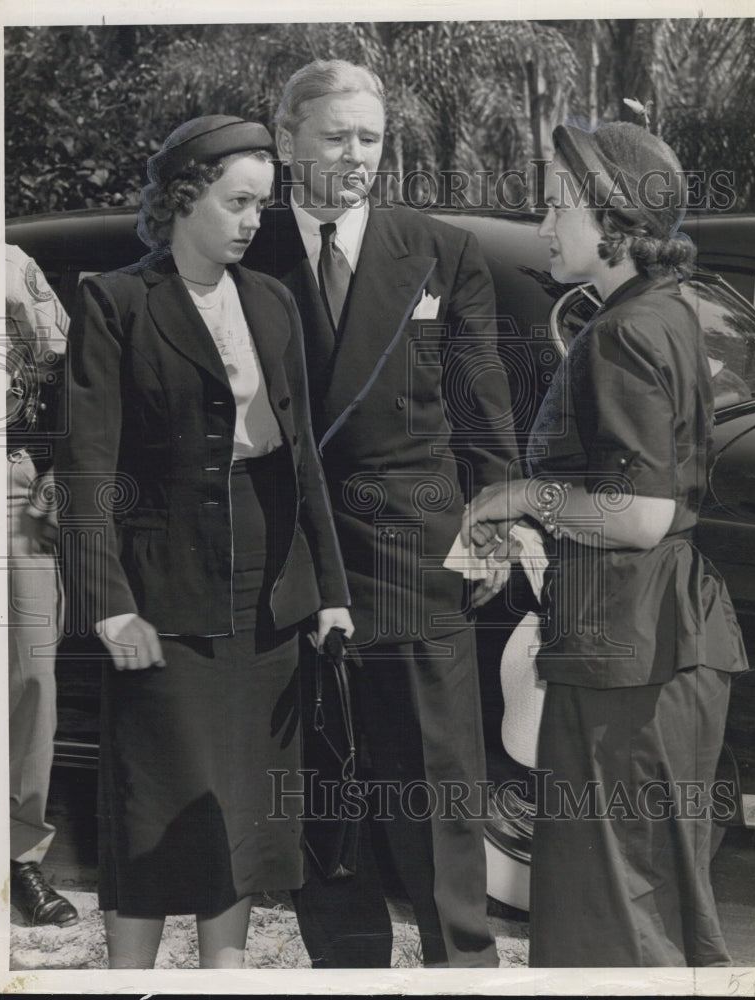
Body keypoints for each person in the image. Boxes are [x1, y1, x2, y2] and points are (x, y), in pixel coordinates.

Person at [54, 115, 352, 969]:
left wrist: (327, 591)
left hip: (270, 592)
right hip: (162, 592)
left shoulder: (271, 301)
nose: (254, 220)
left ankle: (224, 978)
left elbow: (302, 463)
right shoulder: (116, 302)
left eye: (263, 203)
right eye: (237, 202)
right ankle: (129, 979)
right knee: (154, 806)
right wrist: (109, 606)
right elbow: (85, 469)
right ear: (184, 197)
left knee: (245, 808)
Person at [243, 59, 519, 969]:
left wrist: (493, 526)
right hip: (285, 561)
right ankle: (345, 969)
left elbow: (482, 411)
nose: (358, 158)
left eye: (371, 138)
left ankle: (463, 968)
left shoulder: (440, 250)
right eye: (336, 137)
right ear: (286, 142)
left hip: (415, 554)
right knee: (321, 791)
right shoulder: (245, 245)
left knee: (437, 787)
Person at [462, 122, 749, 967]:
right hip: (652, 635)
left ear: (613, 220)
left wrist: (516, 494)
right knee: (648, 902)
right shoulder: (661, 314)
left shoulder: (623, 332)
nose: (545, 224)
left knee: (614, 918)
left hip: (630, 650)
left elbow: (637, 514)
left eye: (556, 206)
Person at [6, 244, 78, 928]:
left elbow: (64, 367)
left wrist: (55, 467)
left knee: (31, 674)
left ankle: (17, 857)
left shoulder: (10, 265)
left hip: (7, 482)